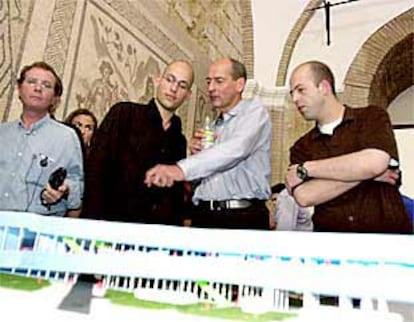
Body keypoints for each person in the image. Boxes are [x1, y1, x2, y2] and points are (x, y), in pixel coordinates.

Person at [145, 58, 272, 230]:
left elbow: (236, 149)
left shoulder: (254, 113)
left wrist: (180, 169)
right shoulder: (212, 127)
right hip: (204, 216)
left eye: (219, 81)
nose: (211, 88)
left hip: (240, 219)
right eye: (209, 81)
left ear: (239, 84)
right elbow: (201, 179)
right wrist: (195, 154)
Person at [285, 60, 411, 233]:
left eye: (301, 90)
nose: (295, 99)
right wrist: (366, 174)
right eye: (292, 93)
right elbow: (305, 196)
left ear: (324, 87)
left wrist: (307, 168)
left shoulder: (371, 117)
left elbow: (374, 163)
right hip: (332, 245)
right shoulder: (301, 146)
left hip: (387, 240)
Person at [81, 60, 194, 225]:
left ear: (188, 95)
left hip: (153, 236)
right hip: (110, 226)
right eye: (170, 80)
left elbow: (174, 196)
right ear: (158, 80)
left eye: (182, 85)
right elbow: (95, 170)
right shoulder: (123, 114)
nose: (174, 89)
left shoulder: (179, 141)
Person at [0, 61, 84, 217]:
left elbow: (77, 184)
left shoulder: (67, 137)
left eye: (46, 85)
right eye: (31, 82)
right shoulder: (2, 133)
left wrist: (65, 190)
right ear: (19, 89)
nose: (38, 88)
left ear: (54, 99)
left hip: (36, 232)